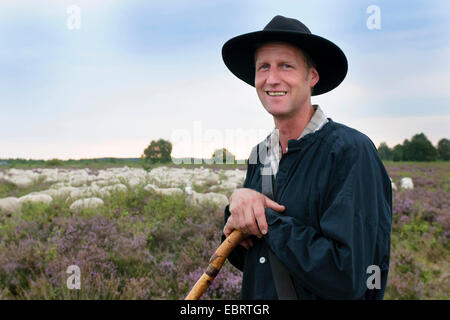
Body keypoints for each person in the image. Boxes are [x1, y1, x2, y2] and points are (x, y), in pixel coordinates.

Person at [221, 15, 392, 299]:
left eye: (286, 66)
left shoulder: (351, 152)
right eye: (263, 67)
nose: (272, 78)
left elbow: (350, 277)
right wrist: (235, 216)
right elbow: (253, 261)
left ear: (311, 76)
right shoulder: (260, 154)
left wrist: (265, 220)